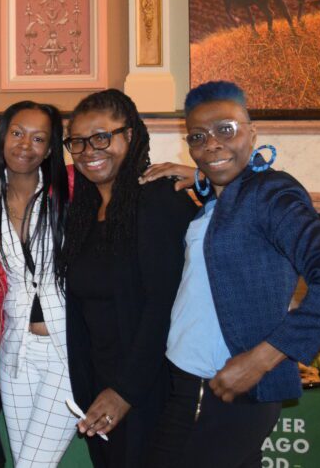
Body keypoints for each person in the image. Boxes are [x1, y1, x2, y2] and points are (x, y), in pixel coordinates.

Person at [144, 81, 320, 467]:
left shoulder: (274, 194)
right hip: (188, 379)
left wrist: (260, 360)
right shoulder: (221, 196)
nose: (212, 144)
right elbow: (231, 216)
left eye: (226, 130)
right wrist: (201, 177)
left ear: (252, 133)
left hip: (227, 387)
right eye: (199, 137)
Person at [57, 89, 196, 468]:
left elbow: (164, 306)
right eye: (78, 143)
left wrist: (124, 391)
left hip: (151, 389)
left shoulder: (158, 200)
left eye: (102, 137)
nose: (89, 151)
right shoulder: (83, 213)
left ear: (130, 136)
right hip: (100, 391)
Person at [0, 101, 77, 467]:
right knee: (25, 461)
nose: (25, 144)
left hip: (66, 350)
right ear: (3, 137)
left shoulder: (70, 185)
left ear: (50, 148)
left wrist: (186, 174)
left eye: (39, 138)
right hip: (14, 352)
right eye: (17, 133)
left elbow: (127, 175)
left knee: (33, 464)